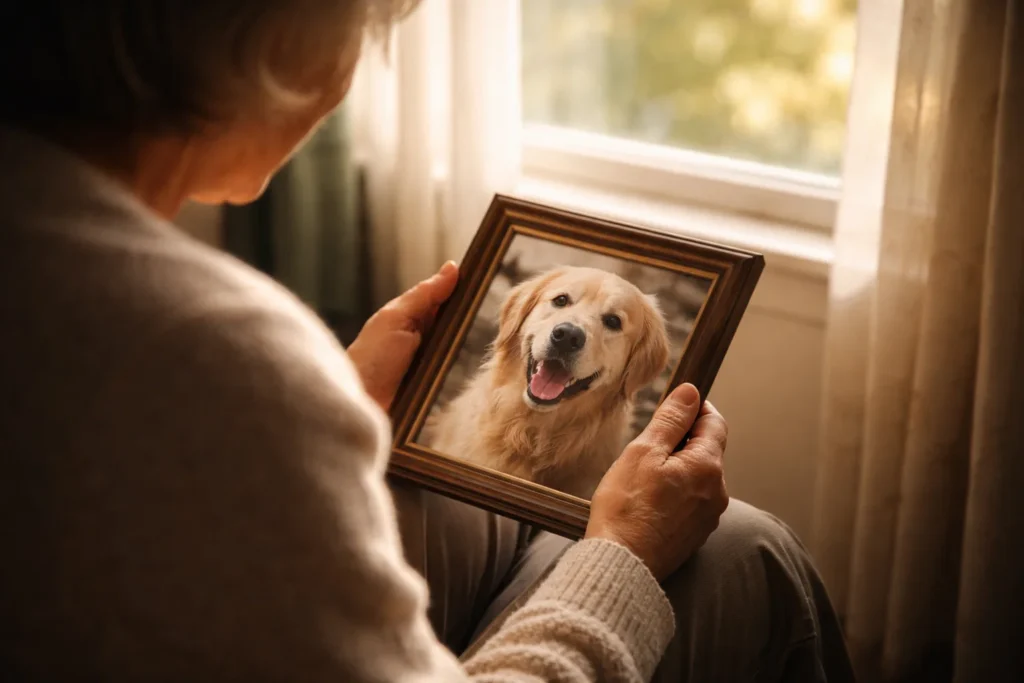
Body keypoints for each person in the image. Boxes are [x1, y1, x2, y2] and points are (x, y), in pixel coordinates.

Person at [0, 1, 855, 681]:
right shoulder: (210, 348)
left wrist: (328, 397)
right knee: (748, 544)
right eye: (364, 25)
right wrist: (623, 559)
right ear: (278, 47)